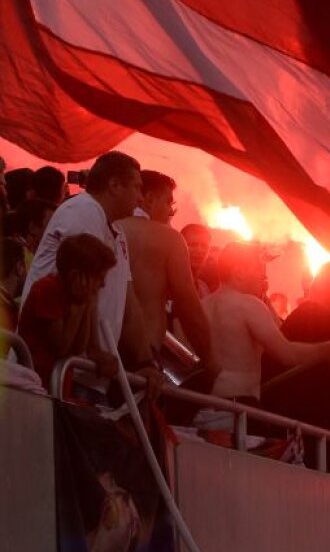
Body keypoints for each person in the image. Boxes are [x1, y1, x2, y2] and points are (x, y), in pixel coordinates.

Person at [21, 152, 162, 396]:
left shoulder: (116, 230)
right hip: (52, 372)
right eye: (137, 187)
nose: (140, 198)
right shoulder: (83, 210)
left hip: (87, 373)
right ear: (115, 185)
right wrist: (96, 350)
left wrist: (145, 362)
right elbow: (84, 287)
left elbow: (128, 301)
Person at [200, 244, 330, 436]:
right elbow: (287, 354)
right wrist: (328, 349)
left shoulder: (201, 306)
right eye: (258, 270)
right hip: (238, 412)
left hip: (202, 409)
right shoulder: (249, 305)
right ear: (238, 272)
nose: (263, 278)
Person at [117, 171, 216, 375]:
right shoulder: (169, 239)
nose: (170, 211)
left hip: (104, 348)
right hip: (142, 356)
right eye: (168, 203)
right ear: (150, 199)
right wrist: (211, 360)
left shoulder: (112, 227)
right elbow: (189, 307)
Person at [18, 234, 120, 386]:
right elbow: (61, 348)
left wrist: (86, 304)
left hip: (54, 387)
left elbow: (78, 347)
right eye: (99, 277)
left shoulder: (76, 299)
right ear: (75, 275)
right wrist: (78, 308)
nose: (103, 284)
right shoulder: (48, 289)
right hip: (34, 387)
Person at [179, 224, 214, 297]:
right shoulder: (167, 285)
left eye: (204, 246)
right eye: (193, 245)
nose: (199, 250)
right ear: (179, 246)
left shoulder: (204, 289)